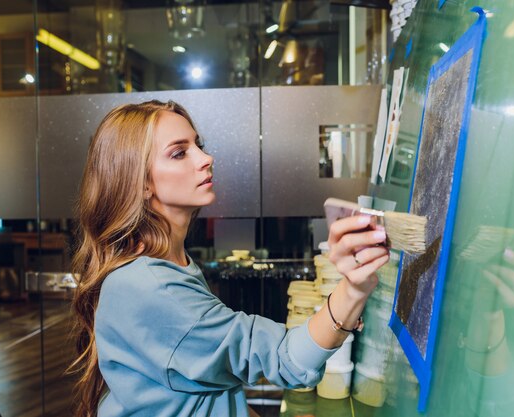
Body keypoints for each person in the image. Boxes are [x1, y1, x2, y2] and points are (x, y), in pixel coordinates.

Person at [70, 100, 390, 417]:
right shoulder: (150, 286)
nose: (206, 158)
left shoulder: (168, 264)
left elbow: (207, 387)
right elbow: (285, 359)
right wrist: (353, 288)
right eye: (179, 153)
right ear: (139, 183)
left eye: (199, 145)